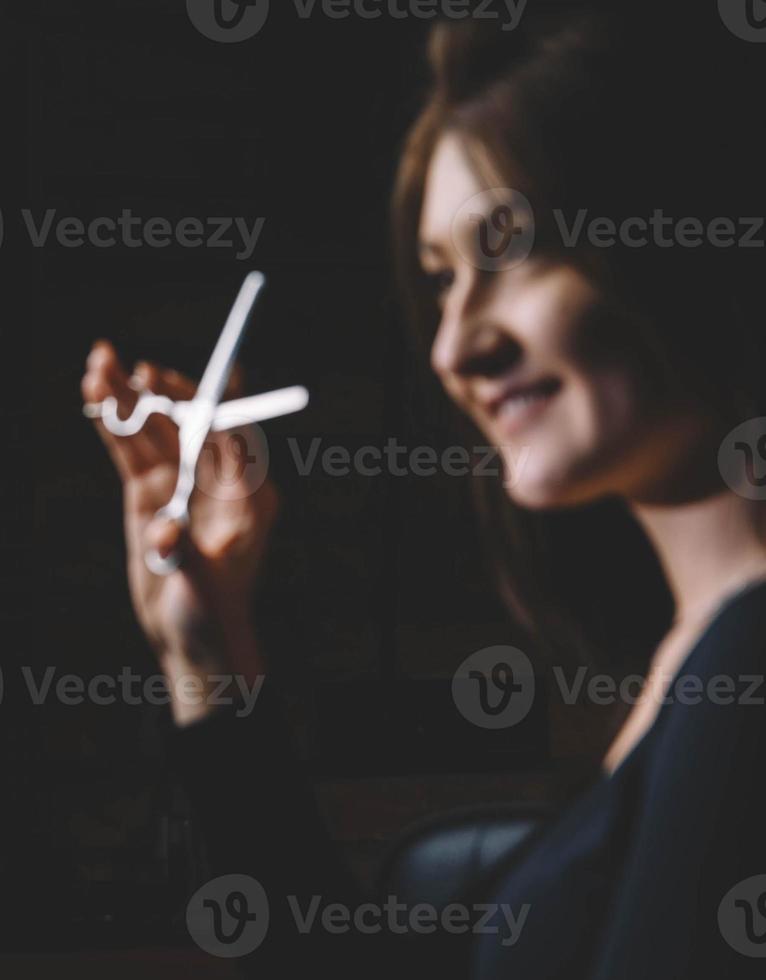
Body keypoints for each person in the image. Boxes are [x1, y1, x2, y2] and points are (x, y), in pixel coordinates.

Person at [82, 8, 766, 977]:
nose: (455, 347)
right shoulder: (698, 659)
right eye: (442, 279)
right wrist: (206, 652)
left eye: (513, 248)